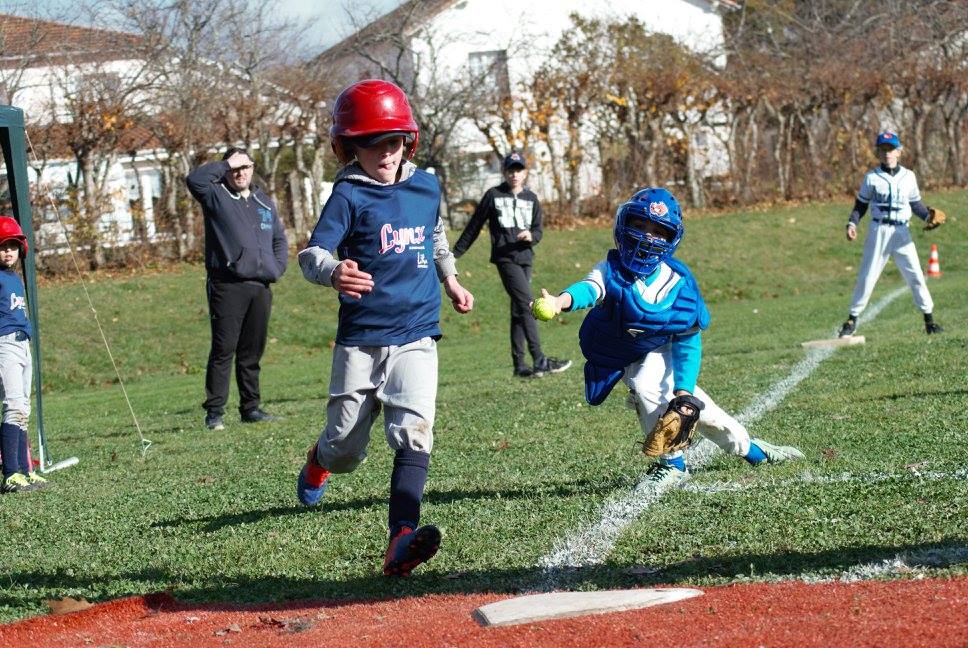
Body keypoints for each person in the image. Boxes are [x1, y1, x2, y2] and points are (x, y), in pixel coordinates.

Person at [295, 79, 474, 577]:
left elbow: (436, 236)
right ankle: (319, 458)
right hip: (362, 339)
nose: (385, 153)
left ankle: (401, 539)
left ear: (408, 140)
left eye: (393, 141)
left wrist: (452, 280)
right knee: (346, 449)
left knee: (414, 433)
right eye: (371, 143)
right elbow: (311, 255)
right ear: (348, 146)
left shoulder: (427, 185)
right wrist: (333, 271)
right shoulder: (347, 195)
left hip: (418, 332)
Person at [532, 188, 803, 487]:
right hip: (624, 354)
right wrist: (560, 301)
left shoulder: (679, 285)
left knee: (652, 389)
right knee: (701, 411)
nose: (648, 237)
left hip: (662, 349)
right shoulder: (611, 269)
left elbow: (688, 340)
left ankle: (674, 465)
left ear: (671, 238)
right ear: (624, 225)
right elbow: (590, 289)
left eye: (658, 231)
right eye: (640, 226)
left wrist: (683, 389)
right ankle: (752, 450)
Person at [186, 147, 288, 431]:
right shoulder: (216, 196)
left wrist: (276, 267)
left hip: (261, 285)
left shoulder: (263, 202)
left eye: (245, 166)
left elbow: (279, 238)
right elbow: (195, 180)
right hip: (227, 285)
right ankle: (215, 412)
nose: (240, 172)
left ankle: (251, 408)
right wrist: (224, 163)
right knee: (224, 349)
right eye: (234, 168)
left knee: (252, 352)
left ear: (253, 168)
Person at [453, 151, 571, 378]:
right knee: (528, 305)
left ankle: (520, 365)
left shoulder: (532, 198)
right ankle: (540, 360)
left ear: (525, 173)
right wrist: (454, 254)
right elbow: (474, 227)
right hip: (506, 259)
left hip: (525, 259)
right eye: (510, 170)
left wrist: (531, 236)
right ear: (504, 172)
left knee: (519, 310)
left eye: (518, 170)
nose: (514, 174)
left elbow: (538, 230)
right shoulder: (493, 195)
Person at [838, 130, 944, 337]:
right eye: (883, 149)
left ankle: (929, 321)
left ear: (899, 152)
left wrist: (927, 216)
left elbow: (915, 204)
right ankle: (852, 319)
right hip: (879, 230)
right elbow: (860, 205)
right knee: (867, 276)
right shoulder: (871, 178)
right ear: (878, 152)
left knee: (915, 275)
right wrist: (852, 223)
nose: (887, 153)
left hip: (902, 232)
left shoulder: (909, 177)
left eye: (891, 149)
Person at [0, 217, 46, 493]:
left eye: (13, 246)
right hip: (4, 344)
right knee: (14, 406)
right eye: (3, 246)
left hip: (22, 344)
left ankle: (26, 471)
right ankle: (11, 474)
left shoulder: (15, 277)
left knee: (23, 410)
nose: (8, 251)